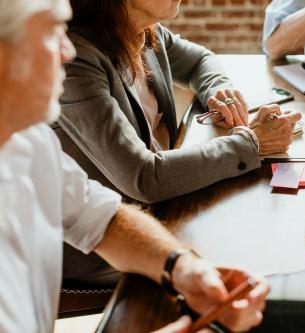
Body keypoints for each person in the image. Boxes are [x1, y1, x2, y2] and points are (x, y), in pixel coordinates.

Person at [0, 1, 269, 332]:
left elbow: (102, 218)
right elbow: (142, 177)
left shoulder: (29, 143)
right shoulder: (83, 61)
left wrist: (182, 266)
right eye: (51, 32)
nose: (67, 49)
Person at [56, 0, 301, 206]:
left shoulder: (146, 31)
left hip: (167, 202)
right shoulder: (76, 62)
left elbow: (200, 61)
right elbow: (143, 176)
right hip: (112, 243)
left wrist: (220, 92)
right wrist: (251, 143)